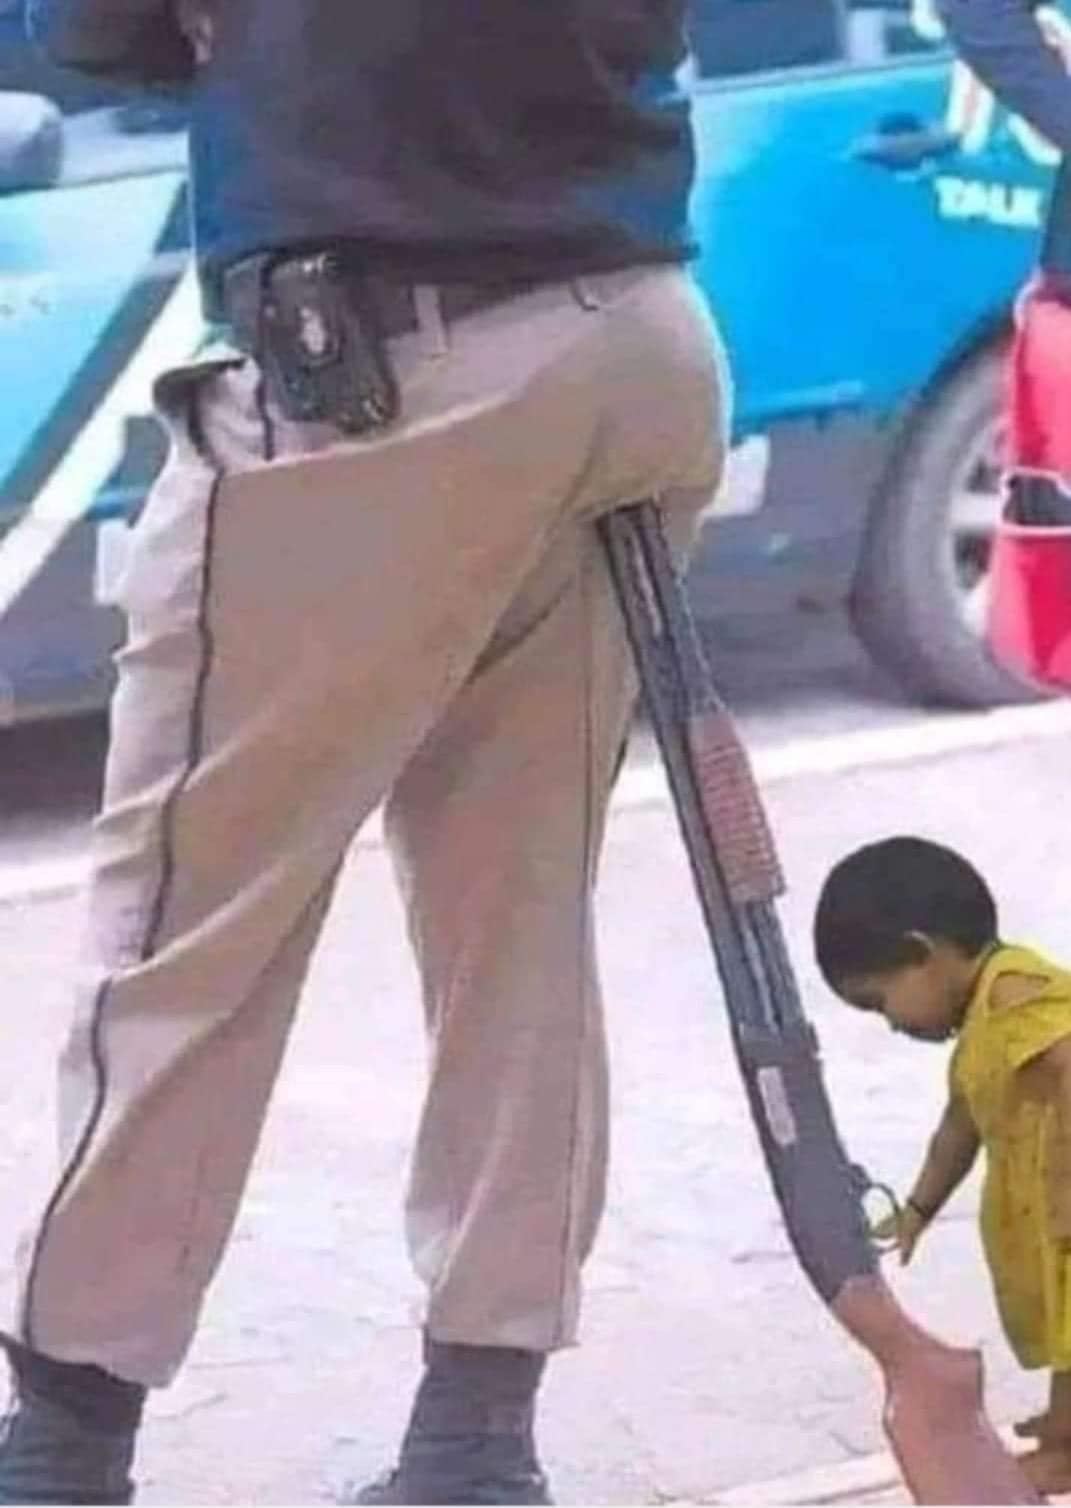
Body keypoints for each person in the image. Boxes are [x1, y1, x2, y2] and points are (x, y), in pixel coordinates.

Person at [0, 0, 731, 1503]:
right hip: (632, 340)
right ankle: (476, 1439)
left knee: (189, 919)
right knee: (519, 912)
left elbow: (97, 33)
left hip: (387, 371)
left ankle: (66, 1438)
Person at [813, 836, 1071, 1497]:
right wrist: (918, 1209)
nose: (890, 1024)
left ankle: (1066, 1455)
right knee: (1065, 1331)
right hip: (1045, 1228)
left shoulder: (1015, 993)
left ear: (921, 954)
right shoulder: (981, 1027)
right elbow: (960, 1126)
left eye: (880, 1001)